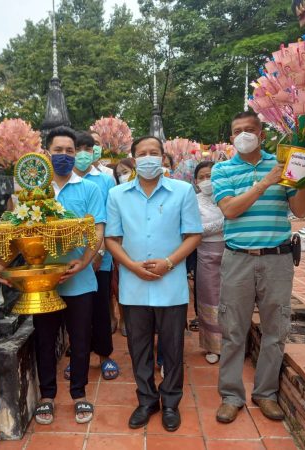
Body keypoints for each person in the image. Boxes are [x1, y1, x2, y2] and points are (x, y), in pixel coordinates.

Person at [0, 127, 105, 426]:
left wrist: (84, 260)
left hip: (79, 280)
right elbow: (17, 233)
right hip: (40, 282)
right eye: (59, 150)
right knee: (44, 340)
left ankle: (79, 393)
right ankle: (47, 396)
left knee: (80, 340)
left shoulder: (90, 189)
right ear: (47, 152)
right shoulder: (30, 192)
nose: (65, 156)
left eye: (70, 151)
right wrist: (0, 262)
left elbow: (97, 230)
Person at [212, 111, 305, 424]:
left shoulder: (283, 165)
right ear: (231, 137)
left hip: (277, 259)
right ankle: (230, 395)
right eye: (238, 130)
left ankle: (265, 393)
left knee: (276, 329)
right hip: (238, 258)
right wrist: (265, 183)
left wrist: (304, 174)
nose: (244, 135)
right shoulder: (222, 169)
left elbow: (299, 209)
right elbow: (230, 210)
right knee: (232, 331)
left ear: (262, 134)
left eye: (250, 129)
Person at [106, 136, 202, 432]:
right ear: (133, 159)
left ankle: (171, 401)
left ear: (163, 158)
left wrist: (169, 263)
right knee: (139, 347)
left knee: (173, 347)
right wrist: (131, 265)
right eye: (142, 153)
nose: (148, 158)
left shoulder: (183, 191)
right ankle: (146, 399)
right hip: (133, 284)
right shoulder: (118, 195)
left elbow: (193, 235)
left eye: (154, 153)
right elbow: (111, 238)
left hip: (170, 282)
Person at [72, 131, 119, 380]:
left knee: (100, 305)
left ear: (93, 151)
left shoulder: (106, 179)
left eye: (87, 148)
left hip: (100, 256)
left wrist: (98, 253)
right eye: (78, 148)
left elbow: (109, 218)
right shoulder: (62, 180)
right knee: (76, 309)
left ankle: (104, 355)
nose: (82, 153)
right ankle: (79, 355)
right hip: (69, 257)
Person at [193, 161, 224, 364]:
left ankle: (234, 343)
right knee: (209, 298)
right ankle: (212, 345)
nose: (207, 181)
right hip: (206, 254)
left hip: (232, 252)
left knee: (233, 299)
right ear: (196, 182)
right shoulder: (193, 201)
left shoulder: (227, 196)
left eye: (210, 176)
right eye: (202, 177)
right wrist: (227, 220)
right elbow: (196, 228)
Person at [111, 158, 136, 337]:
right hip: (121, 247)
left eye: (125, 172)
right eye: (118, 174)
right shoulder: (116, 194)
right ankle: (123, 318)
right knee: (118, 285)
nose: (122, 177)